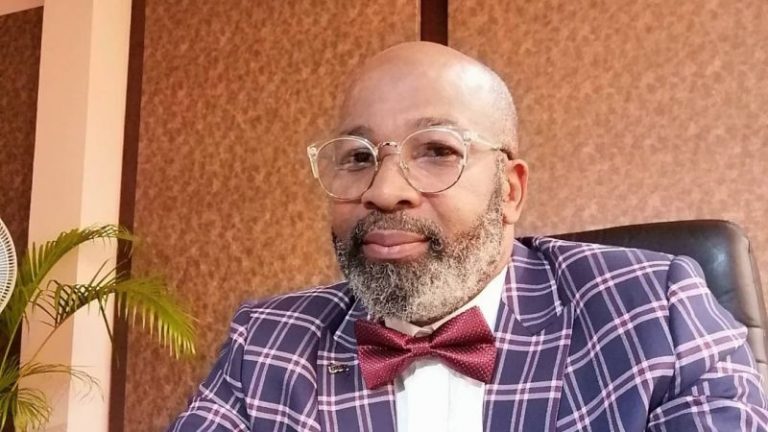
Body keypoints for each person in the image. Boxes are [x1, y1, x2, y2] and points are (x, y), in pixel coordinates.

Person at [168, 42, 768, 431]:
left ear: (510, 190)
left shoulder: (656, 312)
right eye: (357, 157)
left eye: (436, 151)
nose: (384, 190)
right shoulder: (267, 343)